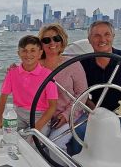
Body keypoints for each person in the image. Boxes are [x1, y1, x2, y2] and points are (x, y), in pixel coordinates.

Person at [70, 20, 121, 155]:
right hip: (98, 115)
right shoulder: (83, 65)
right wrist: (94, 110)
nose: (102, 39)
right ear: (89, 40)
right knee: (78, 132)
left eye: (107, 34)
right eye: (96, 35)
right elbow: (80, 94)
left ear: (113, 37)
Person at [38, 24, 88, 156]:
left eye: (56, 38)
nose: (52, 43)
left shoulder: (73, 64)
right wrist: (13, 69)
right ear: (41, 44)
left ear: (62, 40)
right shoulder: (33, 65)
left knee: (56, 145)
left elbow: (83, 94)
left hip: (70, 115)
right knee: (33, 143)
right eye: (46, 40)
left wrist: (66, 116)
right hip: (42, 116)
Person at [0, 35, 58, 136]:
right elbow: (3, 97)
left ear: (40, 53)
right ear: (18, 53)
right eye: (24, 51)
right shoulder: (12, 73)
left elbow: (52, 106)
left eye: (33, 50)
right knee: (6, 135)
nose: (28, 54)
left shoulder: (47, 75)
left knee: (33, 141)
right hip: (18, 113)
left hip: (39, 115)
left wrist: (36, 128)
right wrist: (0, 119)